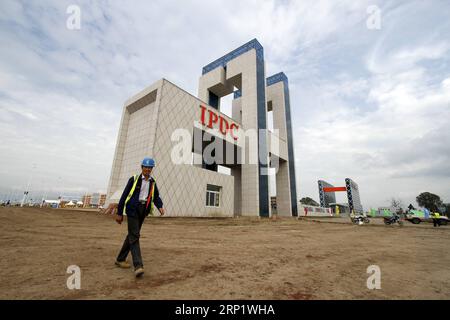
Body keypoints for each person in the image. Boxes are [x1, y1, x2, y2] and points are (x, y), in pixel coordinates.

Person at [114, 157, 165, 277]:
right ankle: (138, 266)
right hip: (132, 210)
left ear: (152, 169)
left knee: (132, 235)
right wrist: (120, 213)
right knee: (135, 235)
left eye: (150, 167)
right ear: (142, 168)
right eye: (145, 167)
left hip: (143, 211)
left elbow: (156, 196)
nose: (147, 169)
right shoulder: (134, 179)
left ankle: (120, 259)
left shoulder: (152, 182)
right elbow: (124, 195)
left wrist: (160, 206)